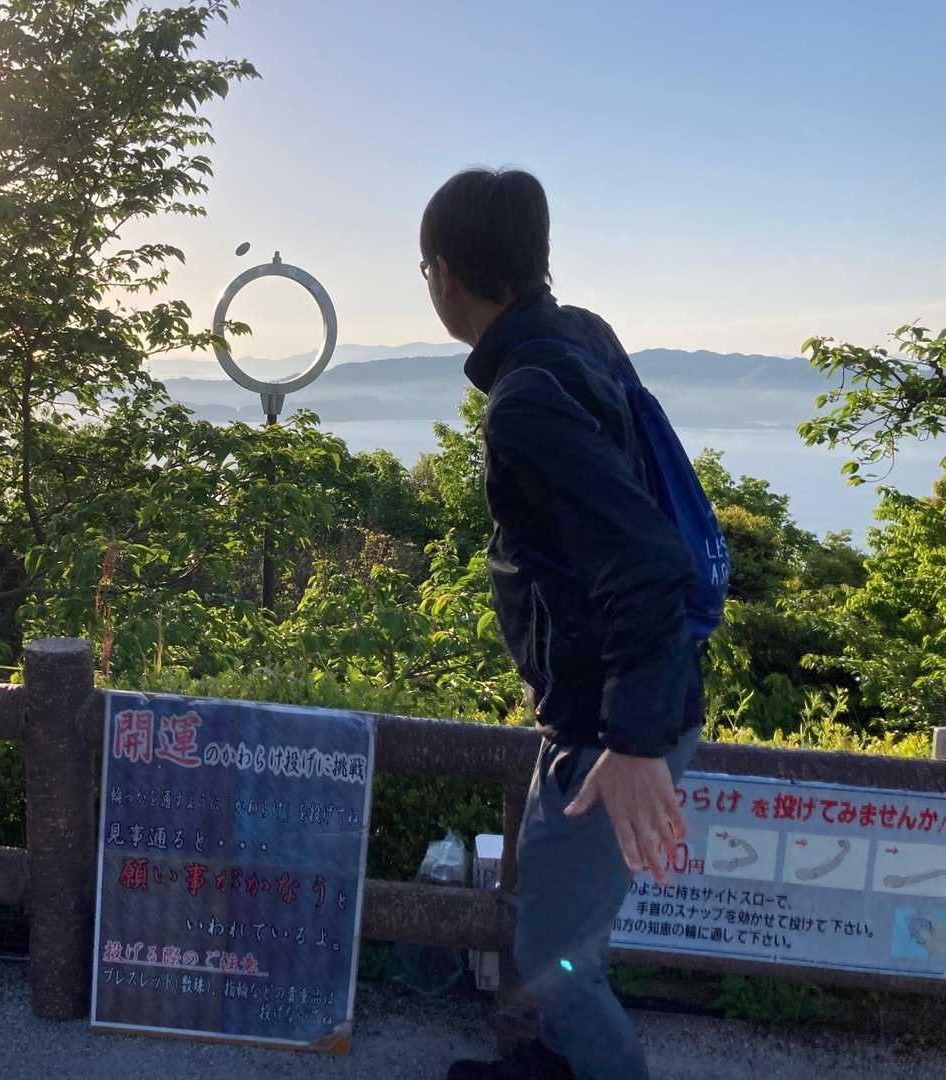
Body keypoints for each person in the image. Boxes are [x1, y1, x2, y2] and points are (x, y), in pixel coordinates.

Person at [419, 168, 704, 1080]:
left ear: (445, 275)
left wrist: (633, 741)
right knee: (567, 923)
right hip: (608, 706)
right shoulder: (581, 336)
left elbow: (646, 561)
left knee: (552, 950)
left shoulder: (527, 400)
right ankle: (551, 1064)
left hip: (610, 722)